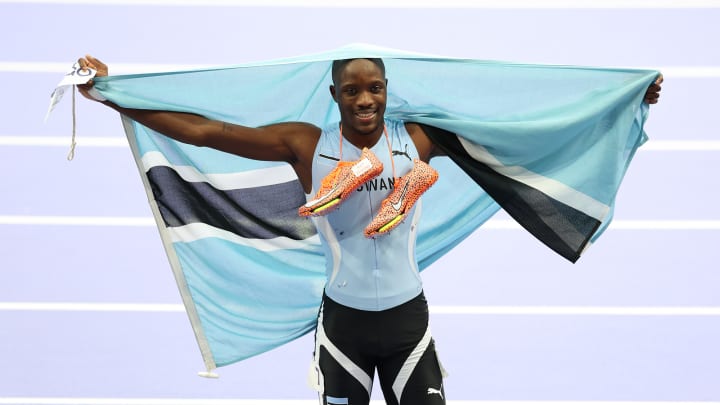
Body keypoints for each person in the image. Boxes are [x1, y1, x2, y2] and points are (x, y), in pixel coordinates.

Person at [77, 55, 662, 405]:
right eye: (352, 90)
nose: (364, 99)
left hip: (409, 321)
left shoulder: (419, 138)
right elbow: (205, 131)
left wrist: (627, 97)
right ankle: (362, 186)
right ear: (334, 95)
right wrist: (108, 95)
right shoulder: (305, 143)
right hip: (344, 327)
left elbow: (523, 127)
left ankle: (404, 187)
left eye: (375, 88)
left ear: (387, 92)